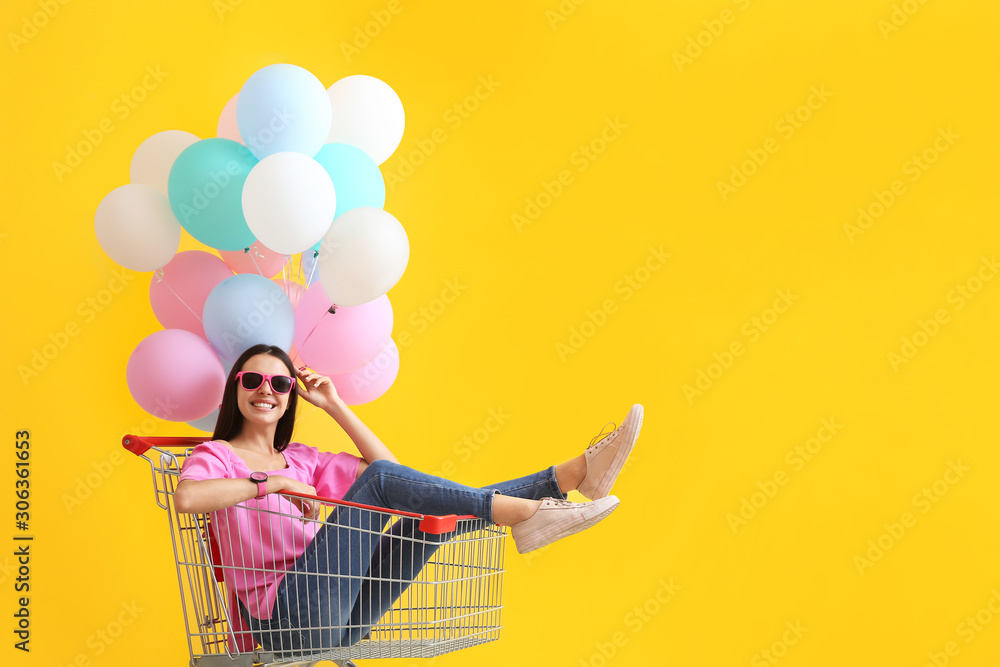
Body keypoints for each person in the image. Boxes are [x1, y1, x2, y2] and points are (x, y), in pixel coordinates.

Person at [174, 343, 643, 655]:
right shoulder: (217, 455)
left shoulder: (302, 459)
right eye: (252, 381)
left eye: (279, 384)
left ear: (291, 396)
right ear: (235, 387)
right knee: (385, 485)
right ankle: (539, 500)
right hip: (283, 616)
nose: (266, 392)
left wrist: (336, 405)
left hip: (340, 618)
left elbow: (395, 478)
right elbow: (189, 498)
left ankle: (569, 477)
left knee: (418, 519)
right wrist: (271, 485)